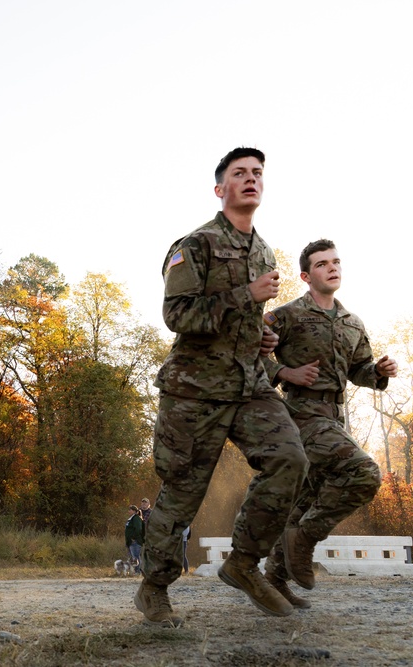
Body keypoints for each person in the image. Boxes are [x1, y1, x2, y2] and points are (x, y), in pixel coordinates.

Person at [135, 147, 309, 626]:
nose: (251, 179)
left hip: (250, 385)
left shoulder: (266, 251)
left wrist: (264, 336)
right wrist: (243, 296)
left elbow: (246, 322)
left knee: (290, 459)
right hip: (195, 391)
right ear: (221, 189)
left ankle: (243, 563)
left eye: (257, 173)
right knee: (181, 494)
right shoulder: (195, 244)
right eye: (240, 173)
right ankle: (154, 589)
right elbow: (177, 316)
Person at [260, 239, 397, 607]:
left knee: (305, 501)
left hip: (336, 419)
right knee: (364, 473)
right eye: (322, 264)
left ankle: (274, 579)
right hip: (301, 416)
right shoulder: (285, 316)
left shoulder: (353, 322)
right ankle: (304, 540)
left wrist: (378, 372)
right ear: (306, 275)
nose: (332, 268)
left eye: (336, 262)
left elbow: (358, 370)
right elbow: (246, 353)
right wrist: (285, 370)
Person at [125, 505, 145, 574]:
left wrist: (133, 537)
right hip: (130, 541)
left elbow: (138, 529)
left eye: (130, 510)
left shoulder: (136, 518)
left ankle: (138, 571)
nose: (128, 511)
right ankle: (135, 570)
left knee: (136, 557)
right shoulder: (131, 519)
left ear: (134, 511)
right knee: (133, 557)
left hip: (135, 541)